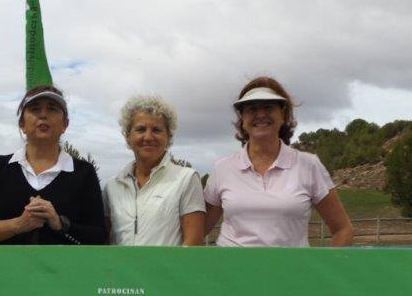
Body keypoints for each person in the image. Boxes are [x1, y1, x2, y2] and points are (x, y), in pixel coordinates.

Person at [204, 77, 354, 247]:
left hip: (292, 272)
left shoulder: (309, 165)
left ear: (283, 115)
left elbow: (342, 229)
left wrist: (323, 271)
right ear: (242, 119)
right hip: (230, 271)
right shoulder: (222, 169)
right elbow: (198, 229)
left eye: (268, 107)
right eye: (252, 109)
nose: (260, 114)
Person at [0, 85, 105, 245]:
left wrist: (59, 224)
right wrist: (18, 225)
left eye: (52, 109)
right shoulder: (0, 167)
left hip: (65, 269)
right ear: (22, 124)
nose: (43, 115)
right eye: (35, 109)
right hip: (7, 269)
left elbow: (97, 236)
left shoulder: (83, 172)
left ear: (65, 124)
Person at [103, 95, 205, 246]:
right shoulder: (112, 186)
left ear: (168, 137)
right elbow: (105, 239)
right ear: (128, 136)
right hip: (120, 270)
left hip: (168, 270)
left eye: (157, 130)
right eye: (140, 129)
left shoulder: (186, 179)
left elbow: (193, 242)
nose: (148, 137)